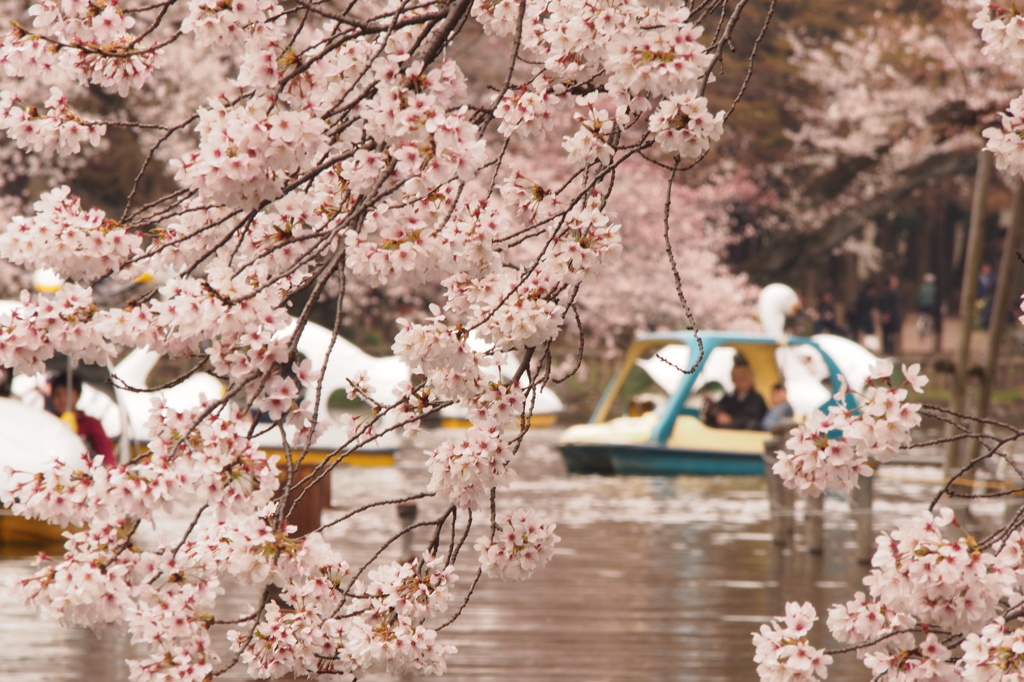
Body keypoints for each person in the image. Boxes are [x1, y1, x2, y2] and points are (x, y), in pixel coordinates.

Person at [46, 370, 116, 466]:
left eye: (67, 394)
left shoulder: (91, 423)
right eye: (57, 394)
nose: (62, 399)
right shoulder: (48, 420)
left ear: (78, 395)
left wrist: (108, 466)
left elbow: (105, 452)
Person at [705, 363, 767, 430]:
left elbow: (751, 418)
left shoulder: (756, 399)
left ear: (751, 380)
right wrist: (713, 409)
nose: (739, 381)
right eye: (736, 378)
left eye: (743, 378)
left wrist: (731, 420)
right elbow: (720, 409)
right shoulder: (729, 398)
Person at [877, 275, 902, 356]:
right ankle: (887, 350)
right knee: (887, 334)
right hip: (889, 317)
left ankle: (892, 350)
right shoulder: (885, 294)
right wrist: (885, 314)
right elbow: (883, 305)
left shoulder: (896, 293)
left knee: (892, 335)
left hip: (895, 317)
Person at [915, 272, 937, 339]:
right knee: (929, 319)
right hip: (930, 306)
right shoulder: (934, 288)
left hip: (922, 306)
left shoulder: (922, 288)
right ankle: (927, 332)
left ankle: (921, 329)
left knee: (922, 318)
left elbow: (918, 297)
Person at [978, 262, 996, 328]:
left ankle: (986, 323)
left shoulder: (993, 277)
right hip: (980, 296)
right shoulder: (979, 277)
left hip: (990, 297)